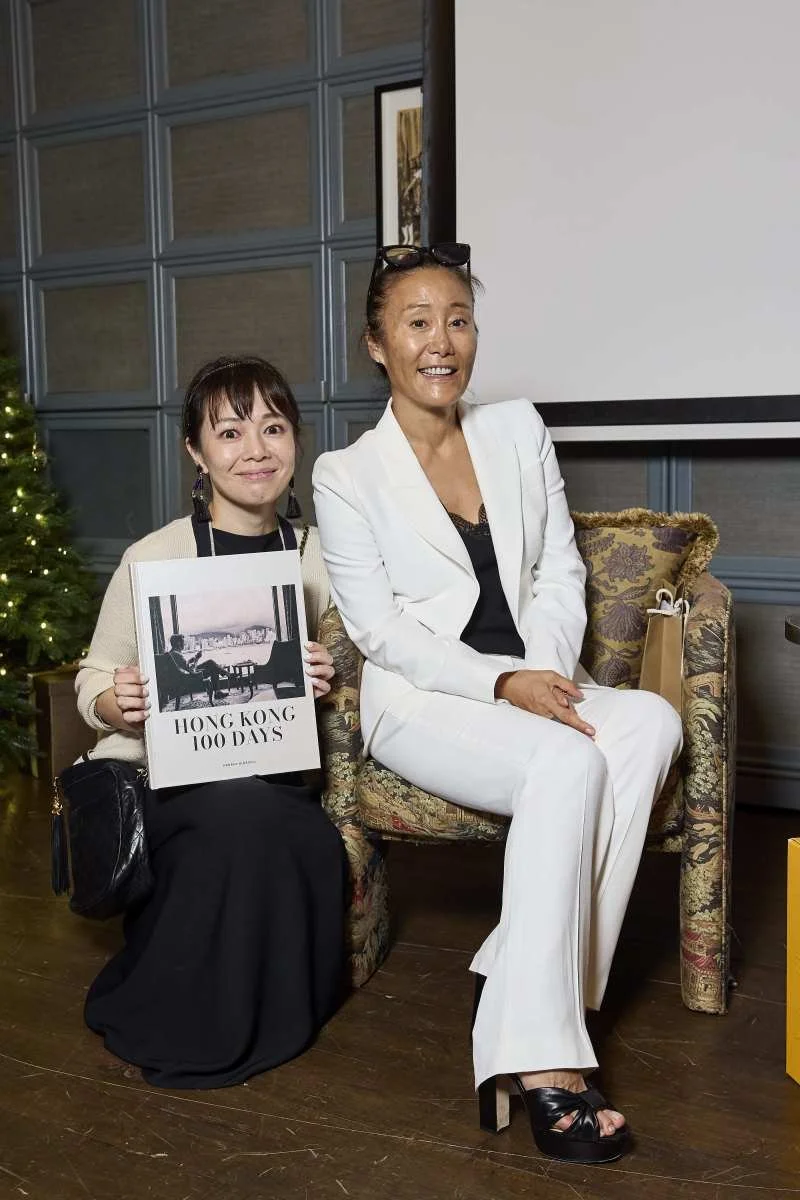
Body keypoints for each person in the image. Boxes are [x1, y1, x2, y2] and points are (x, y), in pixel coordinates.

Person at [311, 244, 683, 1163]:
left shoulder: (518, 428)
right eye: (417, 323)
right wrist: (502, 685)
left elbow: (559, 568)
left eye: (459, 319)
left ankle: (516, 978)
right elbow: (382, 633)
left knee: (651, 722)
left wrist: (539, 673)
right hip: (422, 702)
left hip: (534, 676)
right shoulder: (345, 474)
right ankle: (547, 1059)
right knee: (567, 758)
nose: (442, 342)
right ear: (377, 344)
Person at [76, 355, 346, 1089]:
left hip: (281, 776)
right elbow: (92, 678)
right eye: (229, 432)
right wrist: (119, 701)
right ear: (196, 452)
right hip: (169, 780)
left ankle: (275, 1013)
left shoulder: (322, 558)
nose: (255, 450)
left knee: (292, 830)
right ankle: (182, 1018)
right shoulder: (155, 556)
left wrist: (329, 675)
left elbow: (368, 671)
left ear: (295, 440)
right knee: (234, 818)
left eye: (273, 428)